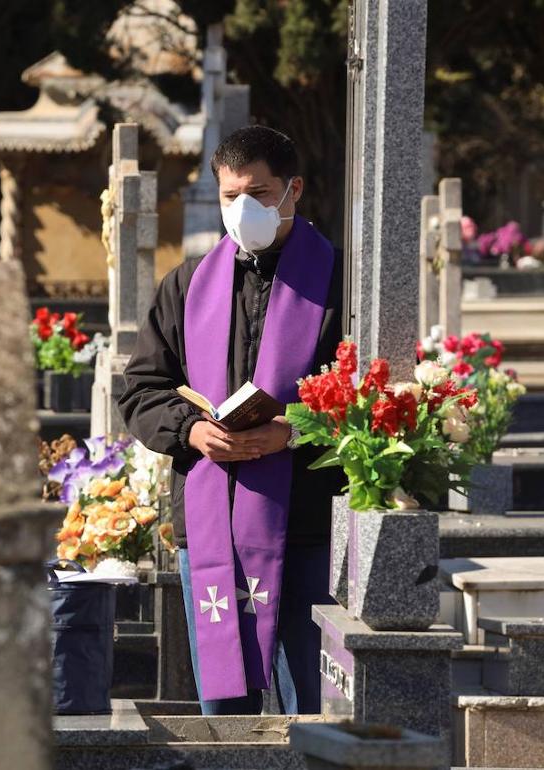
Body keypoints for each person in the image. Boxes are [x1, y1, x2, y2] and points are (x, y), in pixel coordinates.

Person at [118, 125, 345, 714]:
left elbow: (364, 392)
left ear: (294, 190)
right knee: (226, 711)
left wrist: (294, 430)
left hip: (306, 520)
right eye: (230, 195)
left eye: (261, 194)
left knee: (312, 708)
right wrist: (191, 431)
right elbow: (142, 388)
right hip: (211, 516)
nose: (243, 208)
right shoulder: (188, 283)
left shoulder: (340, 281)